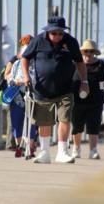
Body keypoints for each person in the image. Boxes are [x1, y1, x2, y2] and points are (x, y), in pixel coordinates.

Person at [21, 16, 89, 164]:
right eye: (54, 33)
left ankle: (62, 152)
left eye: (60, 33)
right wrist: (26, 76)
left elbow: (79, 62)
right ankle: (45, 153)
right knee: (44, 121)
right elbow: (25, 58)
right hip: (42, 90)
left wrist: (84, 81)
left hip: (65, 89)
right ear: (48, 31)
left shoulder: (70, 42)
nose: (57, 36)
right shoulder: (38, 41)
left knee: (65, 119)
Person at [71, 39, 104, 159]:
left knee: (93, 125)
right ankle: (76, 148)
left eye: (91, 51)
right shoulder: (75, 63)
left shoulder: (100, 64)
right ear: (82, 52)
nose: (88, 54)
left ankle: (93, 150)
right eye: (86, 51)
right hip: (77, 101)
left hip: (95, 101)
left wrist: (97, 86)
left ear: (95, 52)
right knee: (77, 126)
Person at [6, 34, 38, 158]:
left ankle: (30, 147)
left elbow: (36, 79)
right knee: (16, 122)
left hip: (32, 96)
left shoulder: (36, 64)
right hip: (17, 97)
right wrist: (14, 81)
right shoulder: (16, 64)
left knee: (32, 122)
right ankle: (19, 146)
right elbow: (10, 78)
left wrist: (25, 80)